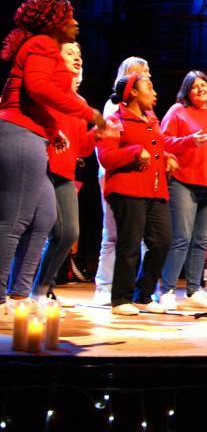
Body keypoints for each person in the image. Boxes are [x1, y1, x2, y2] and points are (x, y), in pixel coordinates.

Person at [0, 0, 105, 312]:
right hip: (19, 133)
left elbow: (32, 96)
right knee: (14, 220)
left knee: (45, 218)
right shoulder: (42, 45)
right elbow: (40, 88)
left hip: (32, 133)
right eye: (69, 16)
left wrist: (51, 129)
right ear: (53, 21)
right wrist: (89, 112)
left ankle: (21, 294)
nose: (75, 22)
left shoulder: (37, 46)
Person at [98, 74, 176, 315]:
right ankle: (121, 299)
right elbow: (106, 157)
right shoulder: (114, 120)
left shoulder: (152, 120)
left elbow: (154, 151)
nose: (154, 93)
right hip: (128, 189)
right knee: (129, 244)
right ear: (132, 92)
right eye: (148, 87)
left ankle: (143, 295)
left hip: (155, 190)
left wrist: (166, 158)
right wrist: (133, 152)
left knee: (162, 242)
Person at [158, 71, 207, 310]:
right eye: (194, 86)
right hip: (184, 181)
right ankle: (167, 289)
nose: (200, 89)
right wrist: (190, 140)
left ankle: (193, 290)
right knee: (182, 238)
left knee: (201, 240)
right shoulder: (177, 111)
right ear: (187, 91)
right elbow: (164, 141)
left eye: (204, 85)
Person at [32, 42, 97, 302]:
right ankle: (20, 291)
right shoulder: (45, 91)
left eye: (80, 54)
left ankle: (41, 287)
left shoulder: (79, 102)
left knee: (69, 233)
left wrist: (97, 134)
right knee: (33, 231)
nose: (77, 58)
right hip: (41, 168)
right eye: (70, 53)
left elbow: (80, 147)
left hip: (65, 174)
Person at [93, 56, 152, 306]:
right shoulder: (113, 107)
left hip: (139, 176)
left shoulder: (146, 109)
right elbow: (106, 145)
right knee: (114, 235)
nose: (148, 74)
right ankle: (104, 286)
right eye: (143, 70)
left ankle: (136, 289)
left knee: (137, 237)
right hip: (114, 174)